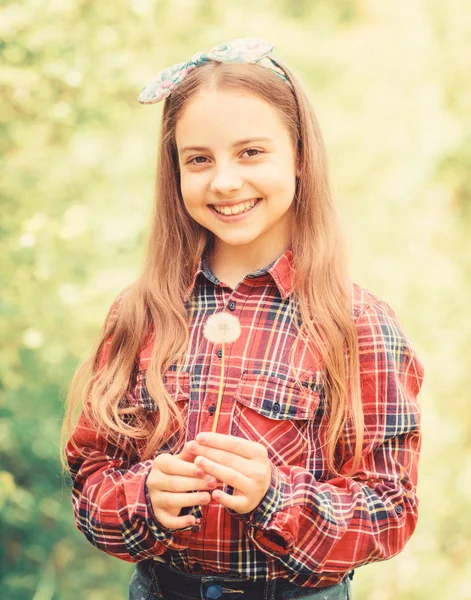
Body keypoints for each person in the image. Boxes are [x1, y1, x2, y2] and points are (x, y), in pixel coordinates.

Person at [61, 37, 424, 600]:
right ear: (174, 172)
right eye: (199, 159)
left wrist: (276, 497)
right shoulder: (142, 313)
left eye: (251, 152)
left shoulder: (355, 324)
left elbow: (389, 510)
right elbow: (90, 479)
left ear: (299, 158)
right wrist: (145, 499)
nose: (225, 181)